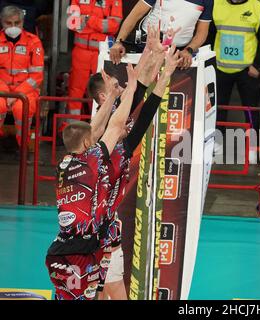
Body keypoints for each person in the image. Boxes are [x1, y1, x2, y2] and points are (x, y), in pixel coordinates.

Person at [91, 27, 179, 300]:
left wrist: (156, 54)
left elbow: (143, 93)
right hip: (92, 231)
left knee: (109, 291)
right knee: (106, 291)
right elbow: (138, 89)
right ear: (104, 99)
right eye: (113, 87)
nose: (121, 88)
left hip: (107, 226)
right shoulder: (99, 135)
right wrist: (155, 61)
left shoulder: (121, 138)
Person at [45, 63, 138, 300]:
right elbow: (115, 127)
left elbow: (92, 130)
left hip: (58, 251)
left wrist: (111, 98)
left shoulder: (64, 163)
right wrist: (131, 89)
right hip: (82, 251)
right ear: (88, 145)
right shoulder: (93, 160)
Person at [212, 0, 260, 164]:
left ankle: (255, 149)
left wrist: (257, 65)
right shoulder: (216, 4)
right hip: (220, 68)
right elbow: (209, 36)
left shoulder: (258, 8)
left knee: (252, 111)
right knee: (217, 109)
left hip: (247, 70)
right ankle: (215, 145)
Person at [65, 0, 123, 129]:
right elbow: (71, 23)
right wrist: (101, 23)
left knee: (100, 92)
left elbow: (113, 26)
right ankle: (72, 132)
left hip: (101, 54)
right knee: (75, 92)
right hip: (80, 52)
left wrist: (88, 19)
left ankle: (98, 130)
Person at [108, 0, 212, 69]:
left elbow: (202, 33)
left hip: (177, 54)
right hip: (147, 48)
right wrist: (118, 42)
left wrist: (189, 50)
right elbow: (134, 16)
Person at [0, 5, 44, 149]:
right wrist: (6, 93)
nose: (13, 26)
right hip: (2, 90)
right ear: (2, 22)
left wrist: (17, 93)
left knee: (22, 108)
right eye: (9, 23)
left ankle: (23, 147)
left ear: (23, 22)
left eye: (17, 23)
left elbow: (37, 76)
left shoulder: (34, 42)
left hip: (26, 90)